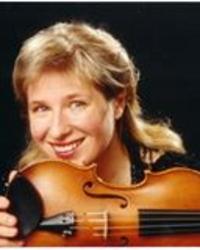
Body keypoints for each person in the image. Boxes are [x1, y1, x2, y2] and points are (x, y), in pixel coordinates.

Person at [0, 21, 193, 246]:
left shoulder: (177, 181)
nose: (58, 130)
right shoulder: (16, 197)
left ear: (118, 104)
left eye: (76, 104)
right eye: (41, 108)